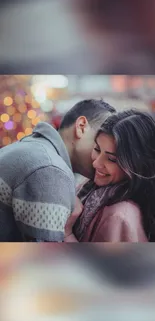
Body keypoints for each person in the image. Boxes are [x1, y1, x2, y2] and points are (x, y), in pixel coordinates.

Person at [0, 99, 115, 242]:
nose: (100, 161)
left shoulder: (36, 148)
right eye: (98, 146)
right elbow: (48, 261)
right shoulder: (50, 169)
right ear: (81, 126)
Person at [65, 109, 155, 242]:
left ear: (138, 165)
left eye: (112, 159)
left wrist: (66, 232)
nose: (96, 163)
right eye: (97, 149)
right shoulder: (92, 188)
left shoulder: (119, 216)